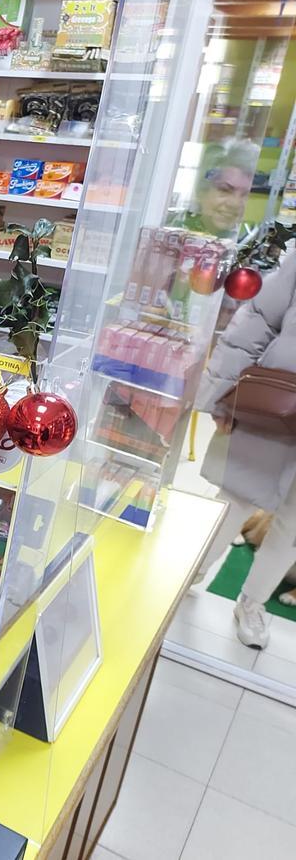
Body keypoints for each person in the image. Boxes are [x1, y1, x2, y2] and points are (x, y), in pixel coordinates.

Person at [193, 244, 296, 648]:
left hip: (277, 405)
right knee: (234, 499)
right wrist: (224, 396)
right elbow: (257, 322)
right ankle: (189, 574)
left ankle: (252, 604)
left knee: (292, 526)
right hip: (275, 404)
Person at [173, 138, 260, 240]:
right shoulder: (174, 233)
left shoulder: (248, 240)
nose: (235, 203)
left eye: (245, 194)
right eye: (224, 190)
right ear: (201, 191)